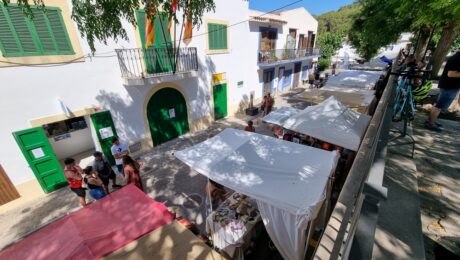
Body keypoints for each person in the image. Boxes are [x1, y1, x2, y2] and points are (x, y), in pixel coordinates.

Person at [425, 48, 460, 132]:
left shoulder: (457, 57)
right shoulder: (458, 58)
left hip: (449, 85)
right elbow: (451, 74)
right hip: (449, 86)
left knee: (438, 105)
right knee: (439, 106)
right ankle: (430, 124)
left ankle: (430, 121)